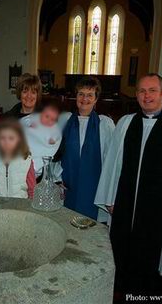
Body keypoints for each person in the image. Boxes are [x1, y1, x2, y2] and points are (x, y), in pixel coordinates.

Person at [95, 73, 162, 297]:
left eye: (152, 90)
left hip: (161, 209)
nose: (147, 95)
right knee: (122, 255)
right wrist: (110, 197)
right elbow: (113, 164)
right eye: (142, 91)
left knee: (154, 261)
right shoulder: (125, 123)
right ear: (136, 96)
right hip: (125, 205)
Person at [57, 77, 115, 221]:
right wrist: (57, 178)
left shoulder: (105, 124)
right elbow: (56, 152)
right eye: (81, 94)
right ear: (75, 96)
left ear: (96, 99)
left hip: (94, 187)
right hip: (67, 186)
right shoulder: (64, 121)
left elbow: (111, 159)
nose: (84, 99)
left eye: (90, 95)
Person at [0, 119, 36, 199]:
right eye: (2, 138)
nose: (6, 142)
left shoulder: (26, 160)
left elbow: (32, 190)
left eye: (11, 138)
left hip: (19, 208)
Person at [20, 101, 62, 179]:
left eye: (52, 119)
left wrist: (52, 140)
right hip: (27, 152)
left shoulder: (53, 128)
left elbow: (56, 136)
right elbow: (23, 124)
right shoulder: (34, 120)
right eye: (47, 116)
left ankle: (34, 170)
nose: (49, 120)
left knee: (36, 164)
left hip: (39, 155)